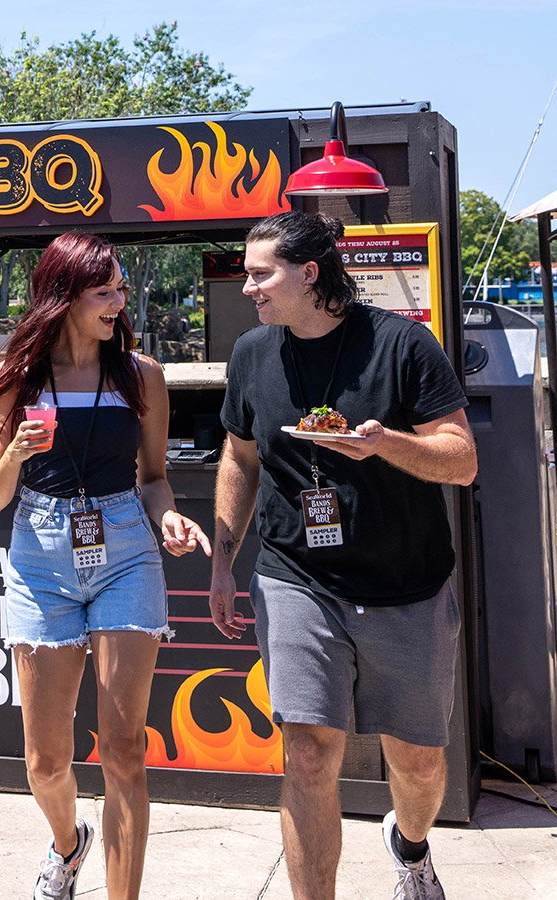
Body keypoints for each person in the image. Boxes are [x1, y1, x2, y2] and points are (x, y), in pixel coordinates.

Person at [208, 211, 476, 899]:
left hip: (405, 583)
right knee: (307, 752)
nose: (249, 288)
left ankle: (410, 847)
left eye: (261, 273)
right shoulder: (253, 355)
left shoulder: (404, 346)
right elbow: (240, 455)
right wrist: (223, 557)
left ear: (310, 272)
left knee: (416, 766)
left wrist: (384, 443)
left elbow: (461, 460)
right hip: (297, 577)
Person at [0, 231, 209, 900]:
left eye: (121, 288)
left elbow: (156, 478)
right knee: (47, 761)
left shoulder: (142, 376)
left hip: (126, 552)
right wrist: (17, 450)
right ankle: (67, 844)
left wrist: (166, 514)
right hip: (38, 559)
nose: (120, 301)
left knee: (124, 749)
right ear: (66, 296)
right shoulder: (18, 378)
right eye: (104, 290)